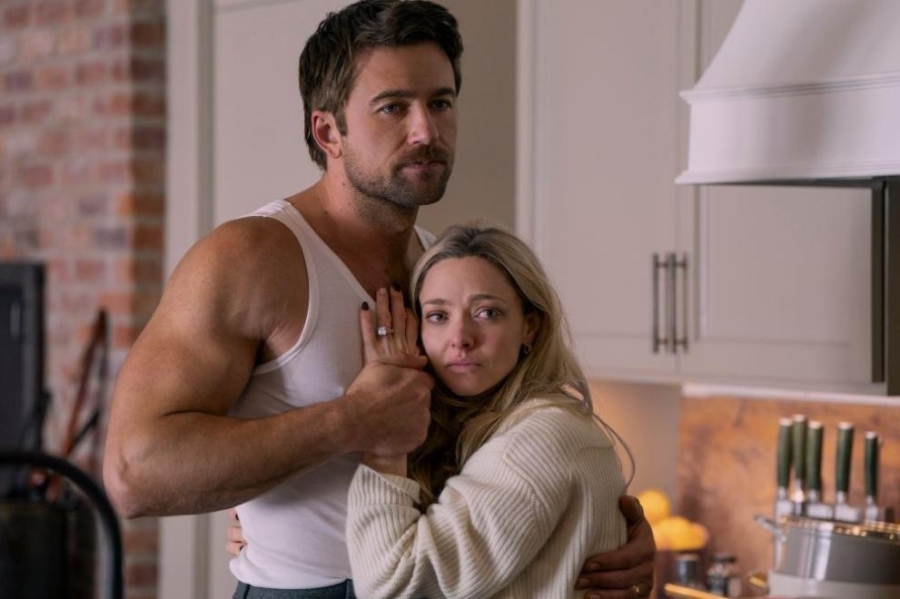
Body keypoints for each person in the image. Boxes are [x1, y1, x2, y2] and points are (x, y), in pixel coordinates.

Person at [102, 1, 655, 597]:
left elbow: (505, 446)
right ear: (328, 132)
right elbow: (135, 474)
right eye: (393, 107)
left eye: (440, 103)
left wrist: (600, 523)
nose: (426, 132)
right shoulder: (252, 257)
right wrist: (351, 421)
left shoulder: (442, 272)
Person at [353, 222, 634, 597]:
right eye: (438, 316)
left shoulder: (540, 439)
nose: (460, 339)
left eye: (487, 312)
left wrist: (385, 445)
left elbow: (391, 584)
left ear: (529, 327)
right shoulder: (493, 427)